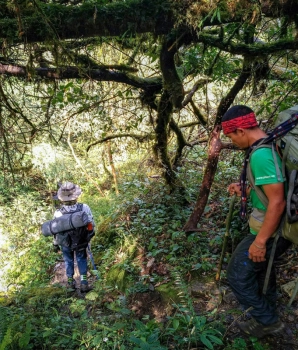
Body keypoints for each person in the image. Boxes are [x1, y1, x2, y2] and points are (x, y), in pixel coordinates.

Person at [221, 105, 291, 338]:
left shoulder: (260, 154)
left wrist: (260, 242)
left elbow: (277, 202)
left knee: (236, 275)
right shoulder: (269, 143)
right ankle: (268, 312)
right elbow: (272, 191)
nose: (231, 140)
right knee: (263, 272)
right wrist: (246, 189)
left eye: (231, 135)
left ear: (241, 130)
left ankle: (268, 321)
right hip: (276, 227)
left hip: (271, 231)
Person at [53, 181, 95, 293]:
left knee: (68, 260)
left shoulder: (58, 212)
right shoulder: (84, 207)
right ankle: (84, 283)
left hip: (65, 241)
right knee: (81, 258)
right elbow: (90, 222)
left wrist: (55, 244)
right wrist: (90, 234)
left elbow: (56, 230)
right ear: (75, 195)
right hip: (81, 239)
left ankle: (70, 283)